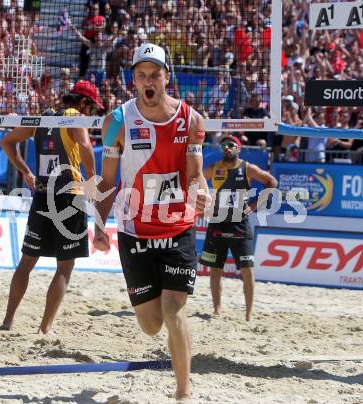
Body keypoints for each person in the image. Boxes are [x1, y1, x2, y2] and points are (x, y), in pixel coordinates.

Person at [93, 43, 209, 401]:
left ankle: (182, 393)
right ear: (134, 80)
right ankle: (179, 347)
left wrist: (202, 193)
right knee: (151, 324)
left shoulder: (191, 120)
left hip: (177, 226)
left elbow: (195, 176)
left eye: (155, 74)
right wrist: (98, 226)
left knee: (175, 310)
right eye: (141, 74)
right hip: (134, 228)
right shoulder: (116, 121)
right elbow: (107, 180)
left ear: (166, 78)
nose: (148, 80)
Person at [0, 80, 101, 334]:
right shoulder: (75, 117)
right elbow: (86, 147)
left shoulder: (43, 119)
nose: (91, 114)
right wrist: (91, 180)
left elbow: (6, 142)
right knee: (65, 266)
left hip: (43, 195)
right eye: (92, 108)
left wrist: (25, 172)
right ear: (83, 102)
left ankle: (8, 321)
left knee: (26, 262)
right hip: (69, 195)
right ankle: (44, 328)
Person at [200, 134, 277, 321]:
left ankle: (249, 314)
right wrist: (202, 201)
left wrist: (253, 205)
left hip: (239, 224)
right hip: (218, 221)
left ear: (238, 148)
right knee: (215, 269)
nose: (226, 148)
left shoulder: (247, 168)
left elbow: (272, 182)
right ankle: (217, 310)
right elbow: (196, 181)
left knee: (247, 269)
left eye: (231, 145)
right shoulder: (214, 168)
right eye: (224, 145)